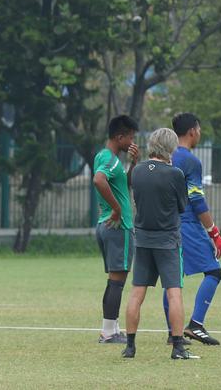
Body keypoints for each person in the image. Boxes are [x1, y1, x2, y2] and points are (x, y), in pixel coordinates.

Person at [122, 128, 198, 360]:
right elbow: (182, 205)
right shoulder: (174, 173)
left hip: (143, 239)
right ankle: (177, 347)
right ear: (170, 148)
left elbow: (130, 184)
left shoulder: (138, 171)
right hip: (167, 240)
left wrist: (133, 163)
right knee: (174, 292)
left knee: (137, 293)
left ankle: (130, 346)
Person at [169, 113, 221, 346]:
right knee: (214, 271)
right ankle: (196, 325)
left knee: (173, 279)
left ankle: (172, 332)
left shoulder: (165, 156)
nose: (200, 134)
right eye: (199, 129)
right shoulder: (191, 161)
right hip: (188, 225)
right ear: (192, 131)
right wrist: (214, 232)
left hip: (166, 224)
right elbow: (197, 200)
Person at [92, 115, 140, 344]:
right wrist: (117, 209)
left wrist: (132, 164)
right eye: (130, 137)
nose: (132, 141)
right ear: (119, 137)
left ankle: (111, 328)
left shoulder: (105, 156)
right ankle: (108, 333)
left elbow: (124, 184)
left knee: (114, 280)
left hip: (105, 225)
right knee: (117, 281)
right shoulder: (110, 160)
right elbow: (99, 180)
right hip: (118, 227)